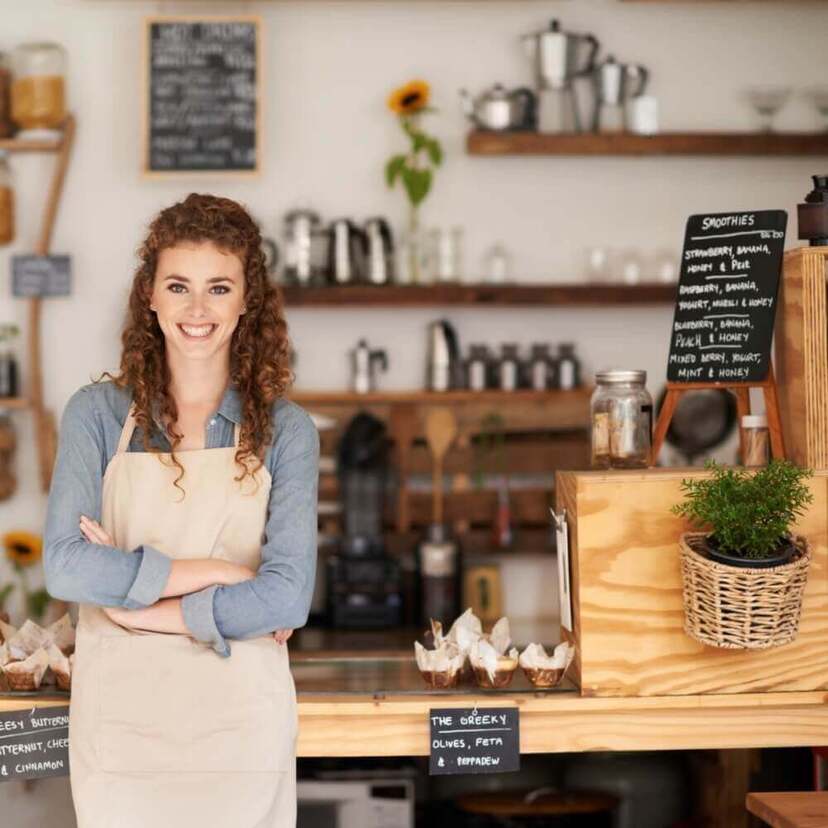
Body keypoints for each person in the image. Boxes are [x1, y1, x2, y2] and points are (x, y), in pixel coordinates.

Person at [43, 193, 319, 827]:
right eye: (179, 286)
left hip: (241, 731)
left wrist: (142, 612)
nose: (198, 310)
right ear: (151, 296)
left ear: (248, 300)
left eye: (219, 288)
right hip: (122, 733)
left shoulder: (288, 432)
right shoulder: (97, 416)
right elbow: (65, 569)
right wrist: (220, 574)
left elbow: (285, 600)